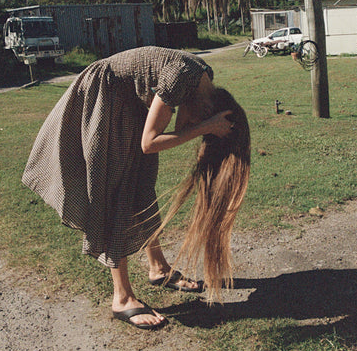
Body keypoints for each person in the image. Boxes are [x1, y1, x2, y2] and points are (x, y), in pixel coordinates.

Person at [22, 46, 250, 330]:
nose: (185, 121)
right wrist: (204, 128)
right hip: (104, 95)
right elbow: (149, 142)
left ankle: (159, 268)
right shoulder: (183, 79)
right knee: (116, 191)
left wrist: (205, 127)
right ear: (206, 109)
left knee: (142, 183)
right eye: (195, 118)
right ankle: (122, 297)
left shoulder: (203, 77)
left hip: (129, 103)